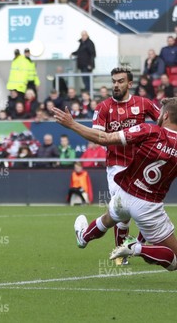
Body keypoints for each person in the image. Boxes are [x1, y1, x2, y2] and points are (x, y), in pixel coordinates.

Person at [54, 98, 177, 273]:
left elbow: (105, 138)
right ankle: (136, 248)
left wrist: (72, 124)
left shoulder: (149, 130)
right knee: (174, 259)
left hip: (124, 194)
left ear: (165, 115)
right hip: (148, 206)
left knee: (107, 220)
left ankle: (83, 238)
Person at [92, 67, 160, 264]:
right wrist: (122, 137)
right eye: (114, 81)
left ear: (130, 84)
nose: (116, 85)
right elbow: (98, 137)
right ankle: (123, 254)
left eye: (120, 81)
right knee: (123, 210)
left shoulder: (144, 103)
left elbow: (164, 122)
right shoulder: (103, 107)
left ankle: (132, 247)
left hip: (140, 165)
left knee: (142, 210)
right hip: (116, 165)